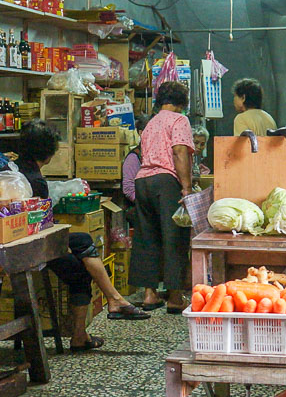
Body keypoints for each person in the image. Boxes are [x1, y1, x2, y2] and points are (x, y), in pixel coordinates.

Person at [17, 122, 149, 352]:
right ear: (49, 152)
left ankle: (114, 300)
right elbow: (39, 224)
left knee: (83, 240)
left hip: (25, 238)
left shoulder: (19, 169)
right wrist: (60, 245)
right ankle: (84, 332)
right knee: (80, 273)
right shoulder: (35, 180)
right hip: (32, 246)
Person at [130, 81, 194, 315]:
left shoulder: (151, 123)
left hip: (143, 181)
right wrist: (186, 187)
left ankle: (150, 294)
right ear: (182, 103)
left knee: (147, 238)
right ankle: (175, 297)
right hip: (165, 182)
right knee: (174, 236)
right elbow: (179, 152)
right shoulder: (179, 120)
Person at [120, 115, 151, 204]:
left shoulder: (160, 153)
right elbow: (128, 189)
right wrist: (143, 205)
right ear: (141, 132)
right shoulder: (134, 157)